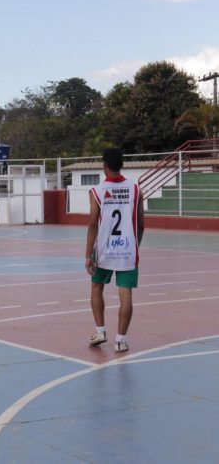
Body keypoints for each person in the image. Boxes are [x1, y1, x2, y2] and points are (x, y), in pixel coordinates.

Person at [85, 148, 145, 353]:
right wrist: (135, 245)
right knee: (125, 293)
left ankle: (100, 331)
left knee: (96, 287)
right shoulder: (135, 189)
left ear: (104, 166)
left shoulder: (97, 191)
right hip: (127, 249)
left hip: (104, 250)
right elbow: (141, 224)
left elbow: (93, 223)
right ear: (121, 164)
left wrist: (88, 254)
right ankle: (120, 340)